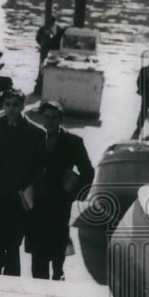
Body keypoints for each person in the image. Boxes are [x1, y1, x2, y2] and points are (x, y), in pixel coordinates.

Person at [26, 101, 94, 281]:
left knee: (58, 241)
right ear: (42, 118)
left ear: (61, 119)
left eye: (55, 118)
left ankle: (58, 272)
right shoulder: (34, 138)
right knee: (37, 245)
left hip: (60, 202)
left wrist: (75, 193)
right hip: (37, 200)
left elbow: (88, 171)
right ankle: (39, 279)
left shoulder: (73, 141)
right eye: (46, 117)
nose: (50, 122)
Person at [0, 89, 45, 276]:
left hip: (19, 197)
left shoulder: (36, 133)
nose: (11, 109)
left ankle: (10, 272)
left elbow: (38, 169)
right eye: (7, 104)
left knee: (14, 240)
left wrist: (31, 194)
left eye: (15, 105)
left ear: (23, 106)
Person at [34, 17, 58, 94]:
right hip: (44, 50)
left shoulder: (57, 29)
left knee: (52, 66)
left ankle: (50, 83)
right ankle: (39, 84)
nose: (51, 24)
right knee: (42, 66)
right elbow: (37, 38)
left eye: (52, 23)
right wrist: (41, 43)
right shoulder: (42, 29)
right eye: (50, 22)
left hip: (53, 51)